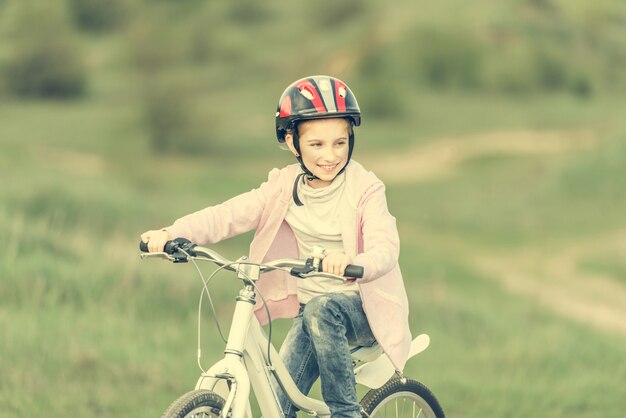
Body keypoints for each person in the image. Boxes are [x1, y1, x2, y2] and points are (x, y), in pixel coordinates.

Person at [141, 75, 411, 418]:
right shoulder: (282, 187)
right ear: (291, 141)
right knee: (278, 408)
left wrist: (355, 262)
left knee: (322, 311)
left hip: (362, 307)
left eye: (340, 142)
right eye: (317, 145)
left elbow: (384, 245)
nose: (330, 156)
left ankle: (346, 413)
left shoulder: (365, 189)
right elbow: (228, 214)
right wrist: (174, 232)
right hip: (310, 311)